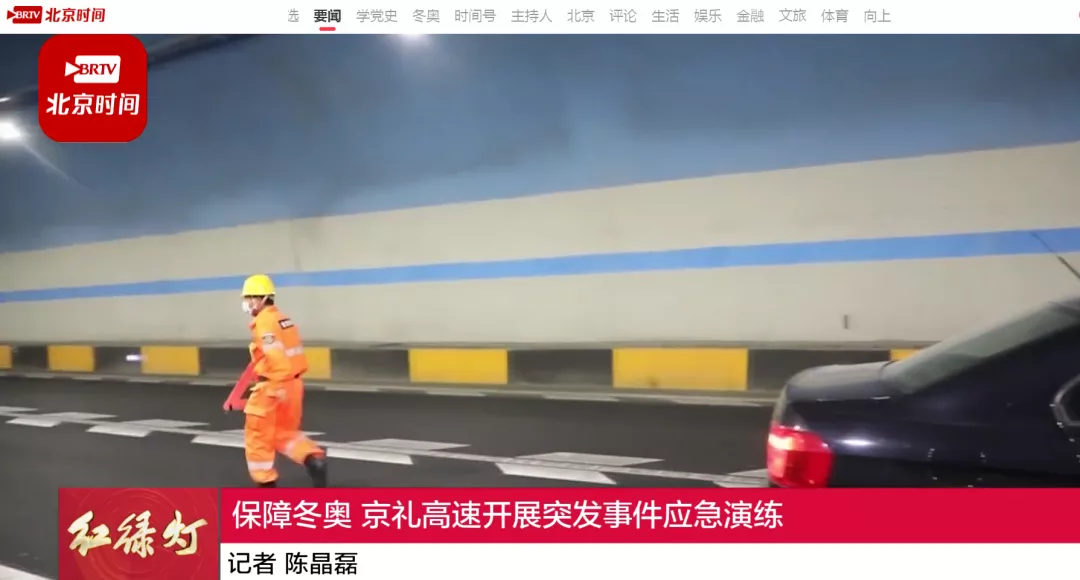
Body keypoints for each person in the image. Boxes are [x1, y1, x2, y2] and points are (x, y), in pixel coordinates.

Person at [238, 273, 328, 488]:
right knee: (284, 433)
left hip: (274, 386)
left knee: (258, 436)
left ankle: (266, 484)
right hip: (293, 386)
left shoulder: (264, 322)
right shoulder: (283, 319)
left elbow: (275, 355)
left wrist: (277, 385)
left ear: (261, 299)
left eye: (250, 297)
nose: (247, 302)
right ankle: (313, 460)